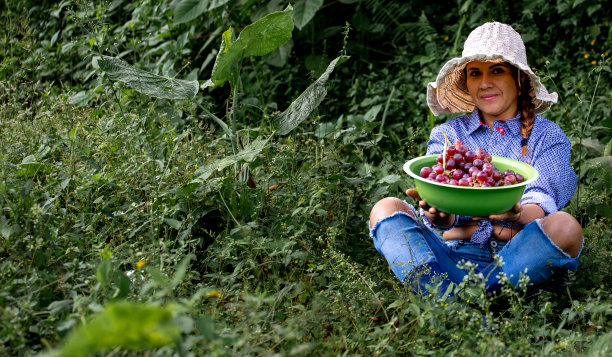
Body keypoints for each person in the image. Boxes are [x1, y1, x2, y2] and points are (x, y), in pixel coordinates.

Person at [368, 22, 583, 295]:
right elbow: (442, 215)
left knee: (565, 226)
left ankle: (460, 299)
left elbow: (540, 206)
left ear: (519, 79)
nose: (485, 83)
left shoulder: (547, 136)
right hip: (454, 260)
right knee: (385, 208)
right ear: (466, 83)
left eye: (496, 70)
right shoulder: (447, 135)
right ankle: (459, 300)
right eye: (475, 73)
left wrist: (509, 217)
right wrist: (443, 218)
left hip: (520, 259)